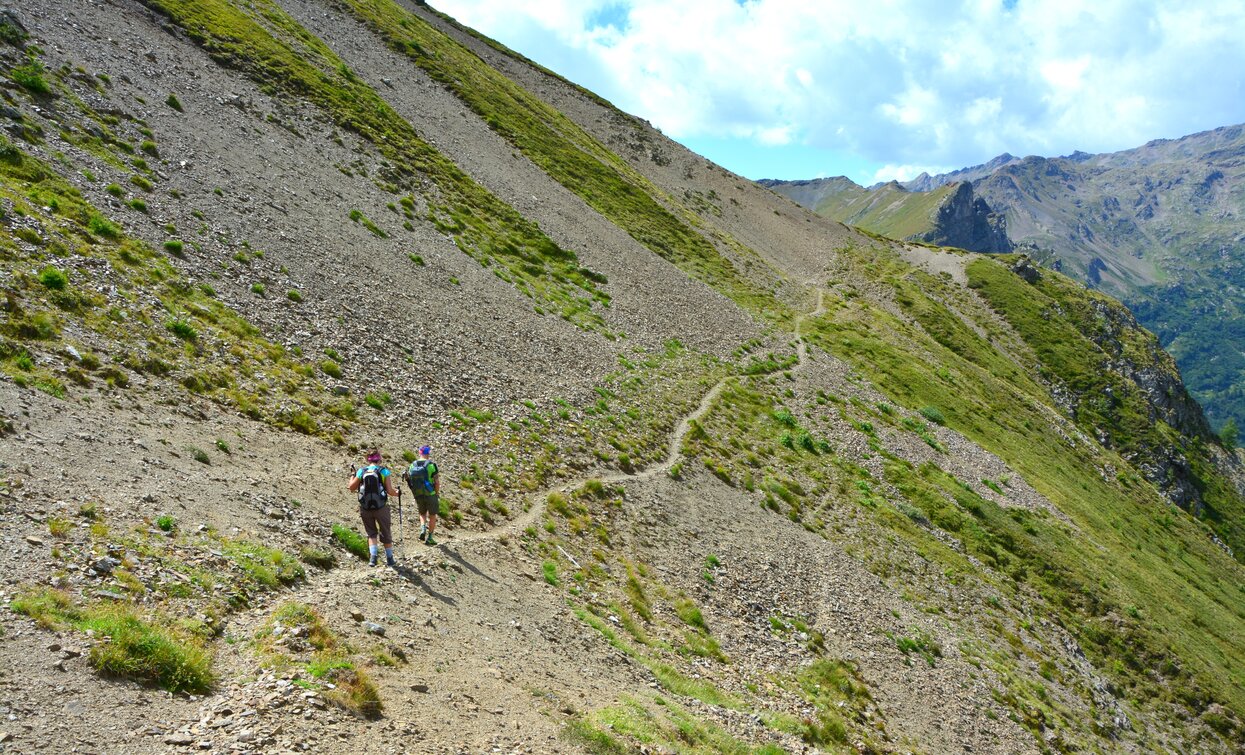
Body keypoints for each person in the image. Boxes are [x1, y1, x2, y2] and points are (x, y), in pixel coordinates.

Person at [346, 448, 400, 566]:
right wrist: (398, 492)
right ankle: (390, 558)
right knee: (385, 532)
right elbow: (390, 491)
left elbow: (351, 488)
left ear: (367, 459)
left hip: (365, 507)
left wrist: (352, 475)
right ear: (379, 459)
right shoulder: (384, 471)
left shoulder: (361, 471)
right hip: (381, 507)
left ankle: (373, 558)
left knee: (371, 533)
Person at [405, 445, 441, 546]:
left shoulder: (412, 465)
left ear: (420, 453)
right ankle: (430, 537)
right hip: (430, 493)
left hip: (418, 493)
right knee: (433, 515)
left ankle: (422, 528)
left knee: (422, 513)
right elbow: (436, 482)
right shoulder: (431, 465)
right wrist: (436, 493)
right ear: (428, 453)